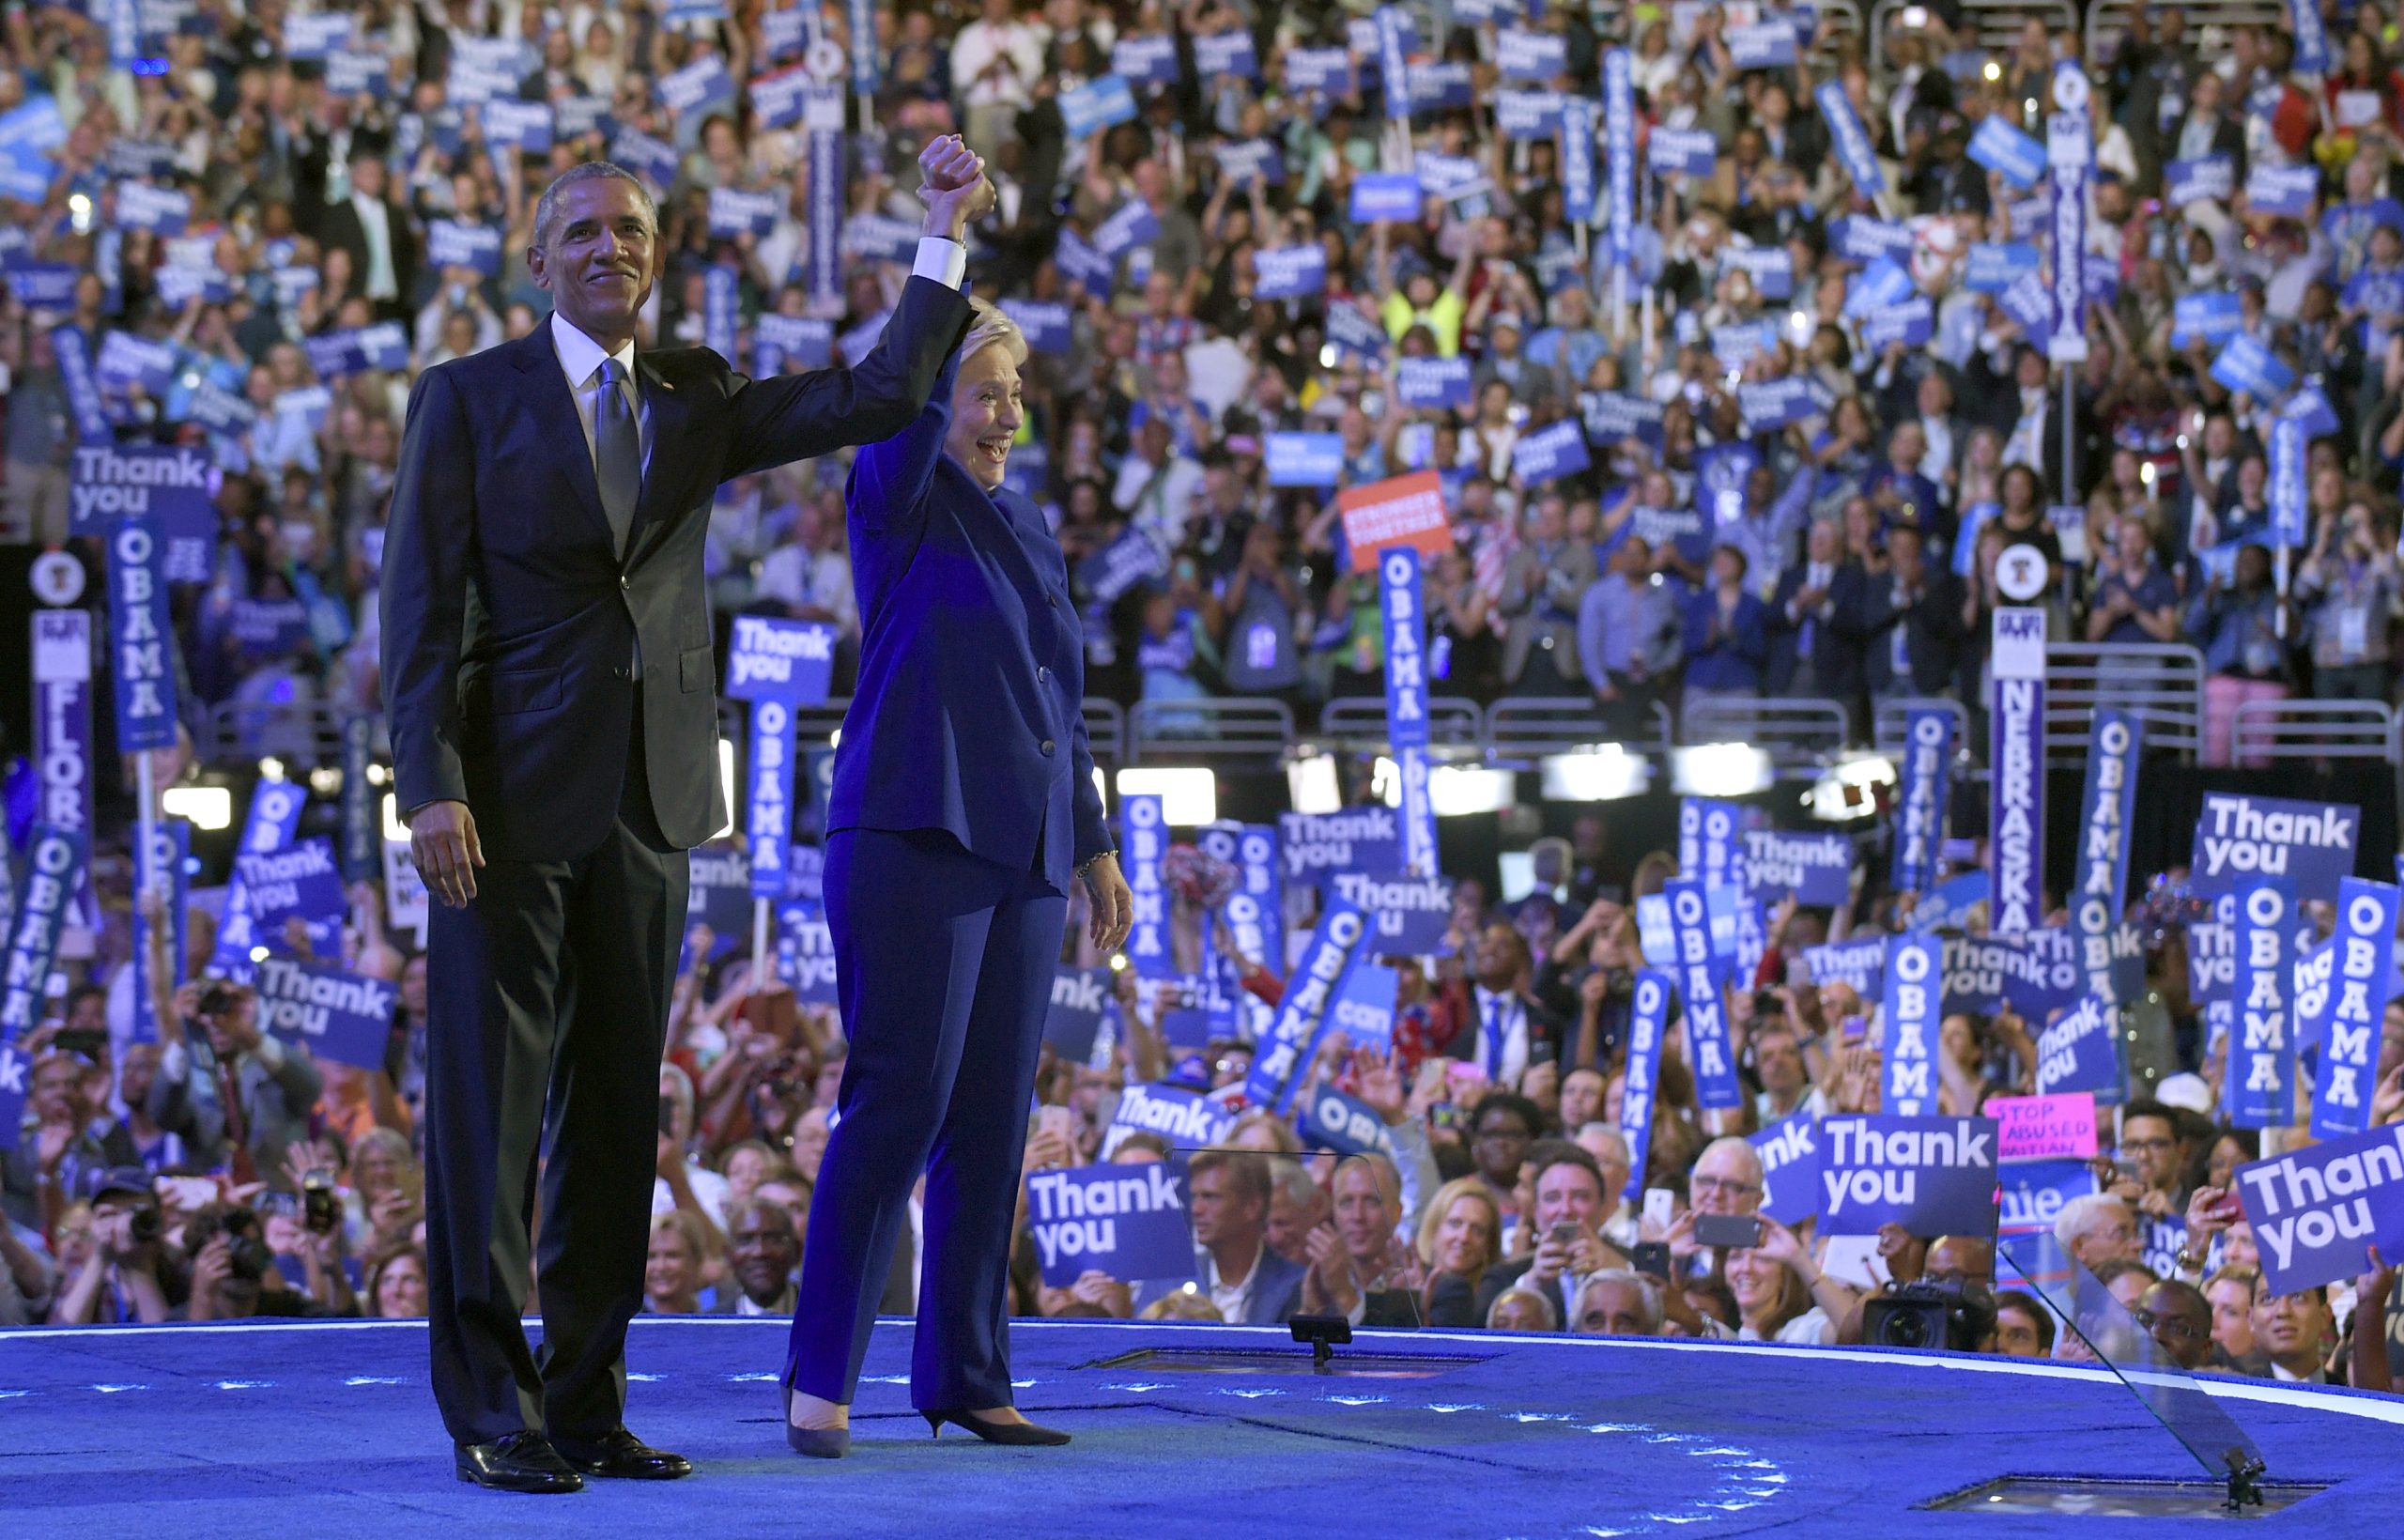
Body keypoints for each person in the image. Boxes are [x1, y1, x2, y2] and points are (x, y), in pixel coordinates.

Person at [381, 145, 984, 1495]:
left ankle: (586, 1403)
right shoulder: (465, 399)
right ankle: (492, 1408)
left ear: (659, 254)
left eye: (633, 232)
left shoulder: (696, 393)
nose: (610, 250)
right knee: (490, 1122)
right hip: (500, 809)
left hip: (653, 804)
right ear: (541, 260)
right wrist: (427, 782)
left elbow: (882, 392)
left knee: (614, 1123)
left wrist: (943, 232)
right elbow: (416, 609)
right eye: (583, 233)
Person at [783, 276, 1136, 1453]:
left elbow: (1060, 701)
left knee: (991, 1123)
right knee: (896, 1103)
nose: (1006, 415)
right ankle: (820, 1376)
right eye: (984, 392)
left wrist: (1092, 845)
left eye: (1017, 395)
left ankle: (967, 1376)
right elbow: (899, 406)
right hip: (913, 830)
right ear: (934, 399)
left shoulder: (1030, 523)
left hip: (1030, 849)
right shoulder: (896, 488)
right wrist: (944, 260)